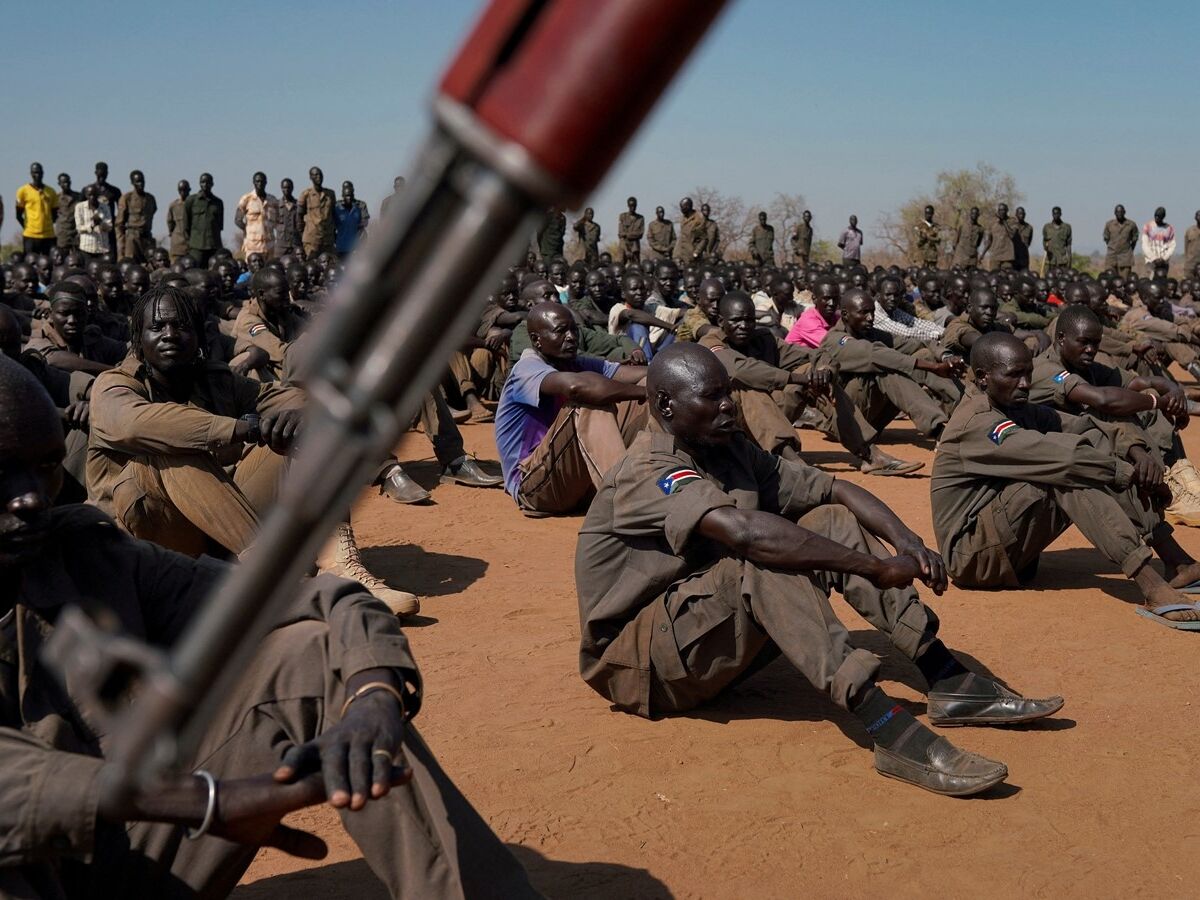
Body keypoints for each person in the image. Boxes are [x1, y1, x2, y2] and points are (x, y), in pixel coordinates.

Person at [0, 352, 540, 897]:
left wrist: (375, 692)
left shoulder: (85, 554)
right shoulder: (119, 388)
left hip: (123, 855)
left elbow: (311, 602)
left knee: (311, 655)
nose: (28, 497)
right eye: (3, 470)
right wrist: (205, 801)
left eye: (45, 466)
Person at [576, 342, 1063, 796]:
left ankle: (945, 676)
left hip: (698, 632)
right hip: (641, 664)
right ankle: (887, 729)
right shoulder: (648, 469)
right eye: (713, 397)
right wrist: (873, 567)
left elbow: (832, 490)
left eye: (729, 392)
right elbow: (745, 534)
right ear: (664, 406)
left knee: (826, 520)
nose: (729, 406)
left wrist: (906, 540)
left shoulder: (725, 448)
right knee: (762, 558)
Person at [932, 331, 1200, 628]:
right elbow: (1066, 459)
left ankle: (1175, 559)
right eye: (1014, 375)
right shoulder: (977, 420)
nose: (1025, 384)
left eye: (1028, 374)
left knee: (1093, 447)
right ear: (982, 377)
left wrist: (1137, 454)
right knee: (1064, 471)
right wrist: (1128, 473)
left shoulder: (1014, 405)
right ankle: (1150, 583)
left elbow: (1087, 427)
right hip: (972, 557)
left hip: (1003, 545)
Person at [701, 291, 922, 474]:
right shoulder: (711, 343)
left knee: (814, 375)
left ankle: (870, 454)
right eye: (736, 320)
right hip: (730, 426)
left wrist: (823, 371)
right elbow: (743, 369)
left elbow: (814, 355)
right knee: (746, 385)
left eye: (749, 320)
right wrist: (795, 377)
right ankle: (791, 463)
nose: (744, 326)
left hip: (770, 417)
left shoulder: (764, 340)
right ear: (721, 322)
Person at [1029, 304, 1200, 525]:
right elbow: (1104, 400)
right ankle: (1165, 487)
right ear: (1061, 338)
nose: (1091, 349)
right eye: (1084, 342)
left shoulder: (1085, 365)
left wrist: (1173, 390)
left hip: (1087, 441)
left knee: (1144, 395)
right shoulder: (1046, 369)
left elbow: (1140, 382)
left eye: (1095, 344)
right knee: (1114, 408)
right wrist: (1159, 402)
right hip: (1050, 451)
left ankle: (1177, 473)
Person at [494, 302, 647, 516]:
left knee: (651, 386)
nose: (571, 337)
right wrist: (646, 392)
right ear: (537, 340)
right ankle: (629, 500)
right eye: (560, 331)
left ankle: (657, 477)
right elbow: (576, 388)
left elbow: (638, 375)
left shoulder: (575, 363)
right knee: (587, 401)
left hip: (575, 483)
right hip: (534, 487)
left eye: (573, 330)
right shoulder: (526, 369)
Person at [820, 288, 960, 440]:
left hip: (871, 419)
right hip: (843, 420)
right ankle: (938, 431)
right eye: (864, 313)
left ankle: (964, 408)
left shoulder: (870, 333)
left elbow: (918, 343)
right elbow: (874, 355)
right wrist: (934, 367)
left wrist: (945, 357)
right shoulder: (835, 340)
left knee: (924, 355)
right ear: (845, 315)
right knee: (887, 369)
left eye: (873, 312)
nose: (870, 318)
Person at [25, 282, 127, 375]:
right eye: (64, 314)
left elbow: (123, 349)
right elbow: (54, 360)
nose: (72, 320)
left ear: (87, 313)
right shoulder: (38, 340)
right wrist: (116, 371)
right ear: (50, 314)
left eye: (79, 313)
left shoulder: (91, 336)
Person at [607, 272, 681, 361]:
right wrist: (669, 326)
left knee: (683, 324)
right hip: (627, 354)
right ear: (623, 293)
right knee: (638, 326)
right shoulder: (618, 308)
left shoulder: (651, 307)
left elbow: (678, 312)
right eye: (634, 289)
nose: (639, 293)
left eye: (642, 289)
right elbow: (632, 315)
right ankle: (647, 365)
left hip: (653, 350)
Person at [15, 162, 58, 256]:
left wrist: (47, 224)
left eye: (39, 172)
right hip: (30, 235)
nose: (37, 175)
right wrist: (28, 227)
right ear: (31, 174)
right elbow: (18, 215)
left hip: (48, 235)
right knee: (31, 263)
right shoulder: (22, 191)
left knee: (49, 263)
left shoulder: (51, 192)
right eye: (34, 172)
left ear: (43, 173)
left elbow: (55, 214)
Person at [115, 170, 157, 263]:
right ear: (132, 183)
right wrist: (121, 249)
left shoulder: (150, 199)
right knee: (131, 263)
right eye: (137, 182)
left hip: (147, 238)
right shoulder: (127, 198)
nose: (141, 184)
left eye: (142, 181)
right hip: (132, 238)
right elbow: (119, 225)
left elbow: (153, 212)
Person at [235, 171, 279, 261]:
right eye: (257, 181)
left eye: (262, 181)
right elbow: (237, 220)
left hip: (269, 245)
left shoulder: (273, 200)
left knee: (268, 271)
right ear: (253, 182)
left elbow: (278, 221)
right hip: (252, 246)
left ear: (266, 182)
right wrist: (247, 231)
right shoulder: (246, 199)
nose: (260, 183)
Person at [184, 174, 224, 266]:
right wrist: (190, 244)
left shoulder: (218, 202)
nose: (205, 184)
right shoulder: (191, 200)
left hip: (214, 246)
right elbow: (186, 225)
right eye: (203, 182)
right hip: (196, 247)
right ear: (199, 183)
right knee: (195, 271)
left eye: (208, 182)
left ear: (212, 184)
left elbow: (219, 226)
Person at [298, 167, 337, 258]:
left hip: (327, 239)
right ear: (310, 178)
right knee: (312, 265)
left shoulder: (330, 194)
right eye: (315, 175)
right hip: (312, 240)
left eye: (320, 174)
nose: (318, 177)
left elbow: (333, 214)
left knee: (328, 264)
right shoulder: (305, 194)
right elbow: (299, 216)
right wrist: (302, 234)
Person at [74, 185, 114, 262]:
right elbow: (79, 228)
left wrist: (100, 222)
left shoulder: (105, 207)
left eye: (94, 195)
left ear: (98, 195)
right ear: (86, 195)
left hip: (102, 248)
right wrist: (92, 225)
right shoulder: (80, 207)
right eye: (90, 195)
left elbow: (110, 227)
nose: (92, 197)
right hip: (87, 248)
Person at [332, 181, 369, 258]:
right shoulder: (337, 206)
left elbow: (365, 222)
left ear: (353, 191)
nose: (348, 197)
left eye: (349, 193)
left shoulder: (361, 205)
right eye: (345, 190)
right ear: (342, 193)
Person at [1103, 204, 1138, 278]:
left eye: (1121, 212)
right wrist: (1113, 247)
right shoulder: (1109, 224)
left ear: (1124, 212)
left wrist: (1130, 249)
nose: (1119, 214)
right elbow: (1106, 238)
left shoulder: (1131, 225)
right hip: (1111, 257)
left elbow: (1135, 238)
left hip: (1125, 257)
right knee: (1110, 279)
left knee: (1124, 281)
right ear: (1115, 213)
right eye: (1117, 212)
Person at [1141, 207, 1175, 276]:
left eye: (1159, 216)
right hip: (1151, 262)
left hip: (1164, 262)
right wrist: (1154, 258)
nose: (1157, 218)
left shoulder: (1169, 228)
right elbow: (1145, 245)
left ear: (1163, 217)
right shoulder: (1148, 226)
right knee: (1151, 283)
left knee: (1162, 282)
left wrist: (1164, 259)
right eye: (1155, 216)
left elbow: (1172, 246)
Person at [981, 203, 1016, 271]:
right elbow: (988, 241)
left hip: (1007, 256)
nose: (1002, 212)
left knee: (1007, 277)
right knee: (994, 276)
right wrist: (983, 254)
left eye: (1003, 210)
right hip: (995, 256)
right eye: (1000, 210)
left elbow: (1012, 235)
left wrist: (1004, 222)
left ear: (1007, 210)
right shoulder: (992, 223)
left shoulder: (1012, 221)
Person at [53, 172, 81, 251]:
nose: (66, 184)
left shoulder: (78, 197)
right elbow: (52, 215)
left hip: (76, 233)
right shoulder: (56, 198)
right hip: (63, 234)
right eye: (64, 182)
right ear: (59, 184)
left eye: (68, 182)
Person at [276, 177, 303, 257]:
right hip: (281, 244)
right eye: (284, 188)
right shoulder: (276, 205)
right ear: (281, 188)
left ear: (292, 188)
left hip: (295, 243)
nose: (286, 190)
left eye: (288, 187)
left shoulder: (298, 205)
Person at [167, 179, 191, 262]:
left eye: (185, 190)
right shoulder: (174, 205)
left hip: (191, 244)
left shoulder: (194, 204)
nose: (183, 192)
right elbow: (170, 223)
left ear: (189, 190)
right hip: (177, 244)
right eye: (180, 190)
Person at [676, 197, 705, 262]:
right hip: (683, 255)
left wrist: (696, 252)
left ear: (688, 206)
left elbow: (703, 238)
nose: (681, 209)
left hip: (692, 257)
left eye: (683, 207)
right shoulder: (683, 219)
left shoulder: (697, 220)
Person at [617, 196, 644, 263]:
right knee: (619, 265)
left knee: (636, 266)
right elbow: (620, 234)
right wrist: (626, 250)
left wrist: (627, 234)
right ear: (628, 205)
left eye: (634, 205)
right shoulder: (623, 216)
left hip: (635, 246)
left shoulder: (640, 218)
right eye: (631, 205)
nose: (632, 207)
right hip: (623, 244)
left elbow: (640, 234)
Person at [1185, 210, 1200, 279]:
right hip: (1191, 263)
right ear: (1195, 217)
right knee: (1189, 282)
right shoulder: (1190, 231)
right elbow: (1186, 247)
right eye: (1198, 215)